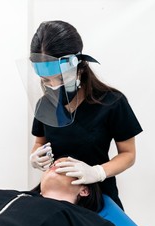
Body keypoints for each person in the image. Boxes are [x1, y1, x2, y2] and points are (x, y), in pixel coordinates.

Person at [29, 20, 143, 209]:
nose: (53, 86)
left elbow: (128, 154)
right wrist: (36, 156)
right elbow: (39, 143)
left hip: (97, 198)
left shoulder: (112, 103)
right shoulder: (46, 104)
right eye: (45, 80)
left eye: (60, 78)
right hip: (56, 199)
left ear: (79, 67)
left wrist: (97, 172)